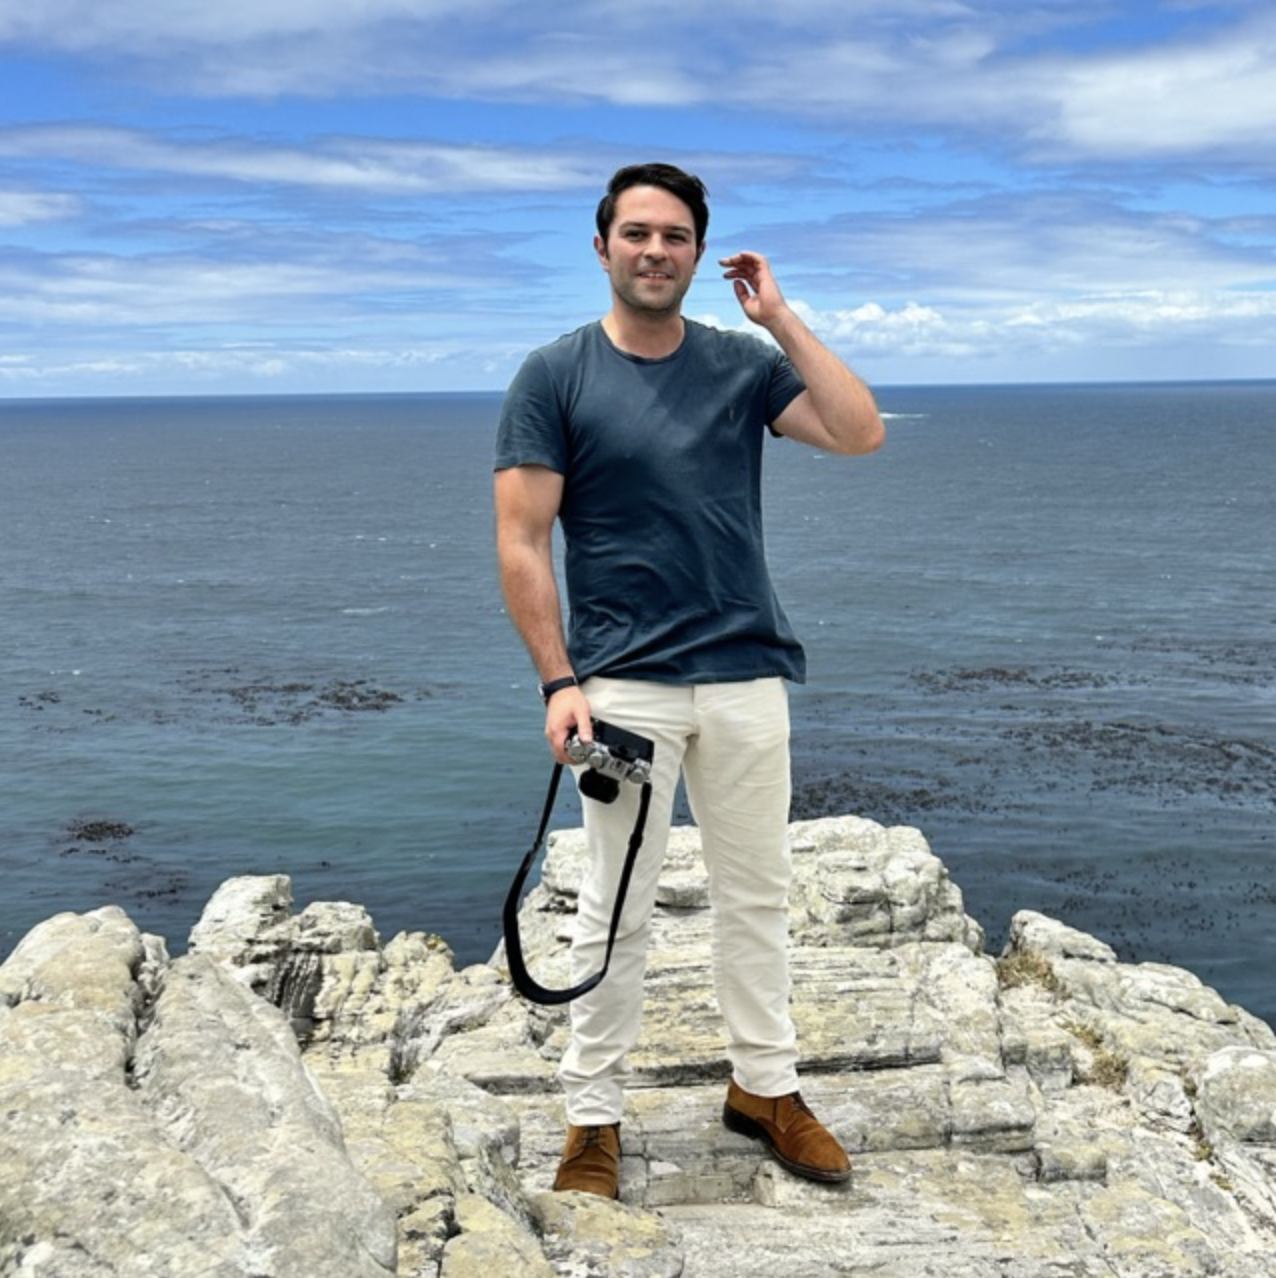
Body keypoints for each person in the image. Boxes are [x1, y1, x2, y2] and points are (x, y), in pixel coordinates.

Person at [494, 161, 884, 1200]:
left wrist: (779, 318)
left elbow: (859, 432)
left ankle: (765, 1089)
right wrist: (557, 681)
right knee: (613, 908)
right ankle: (592, 1117)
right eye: (636, 233)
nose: (654, 251)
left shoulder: (740, 364)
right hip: (624, 689)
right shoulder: (555, 375)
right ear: (602, 248)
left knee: (757, 895)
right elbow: (522, 540)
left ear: (699, 254)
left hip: (747, 674)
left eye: (674, 236)